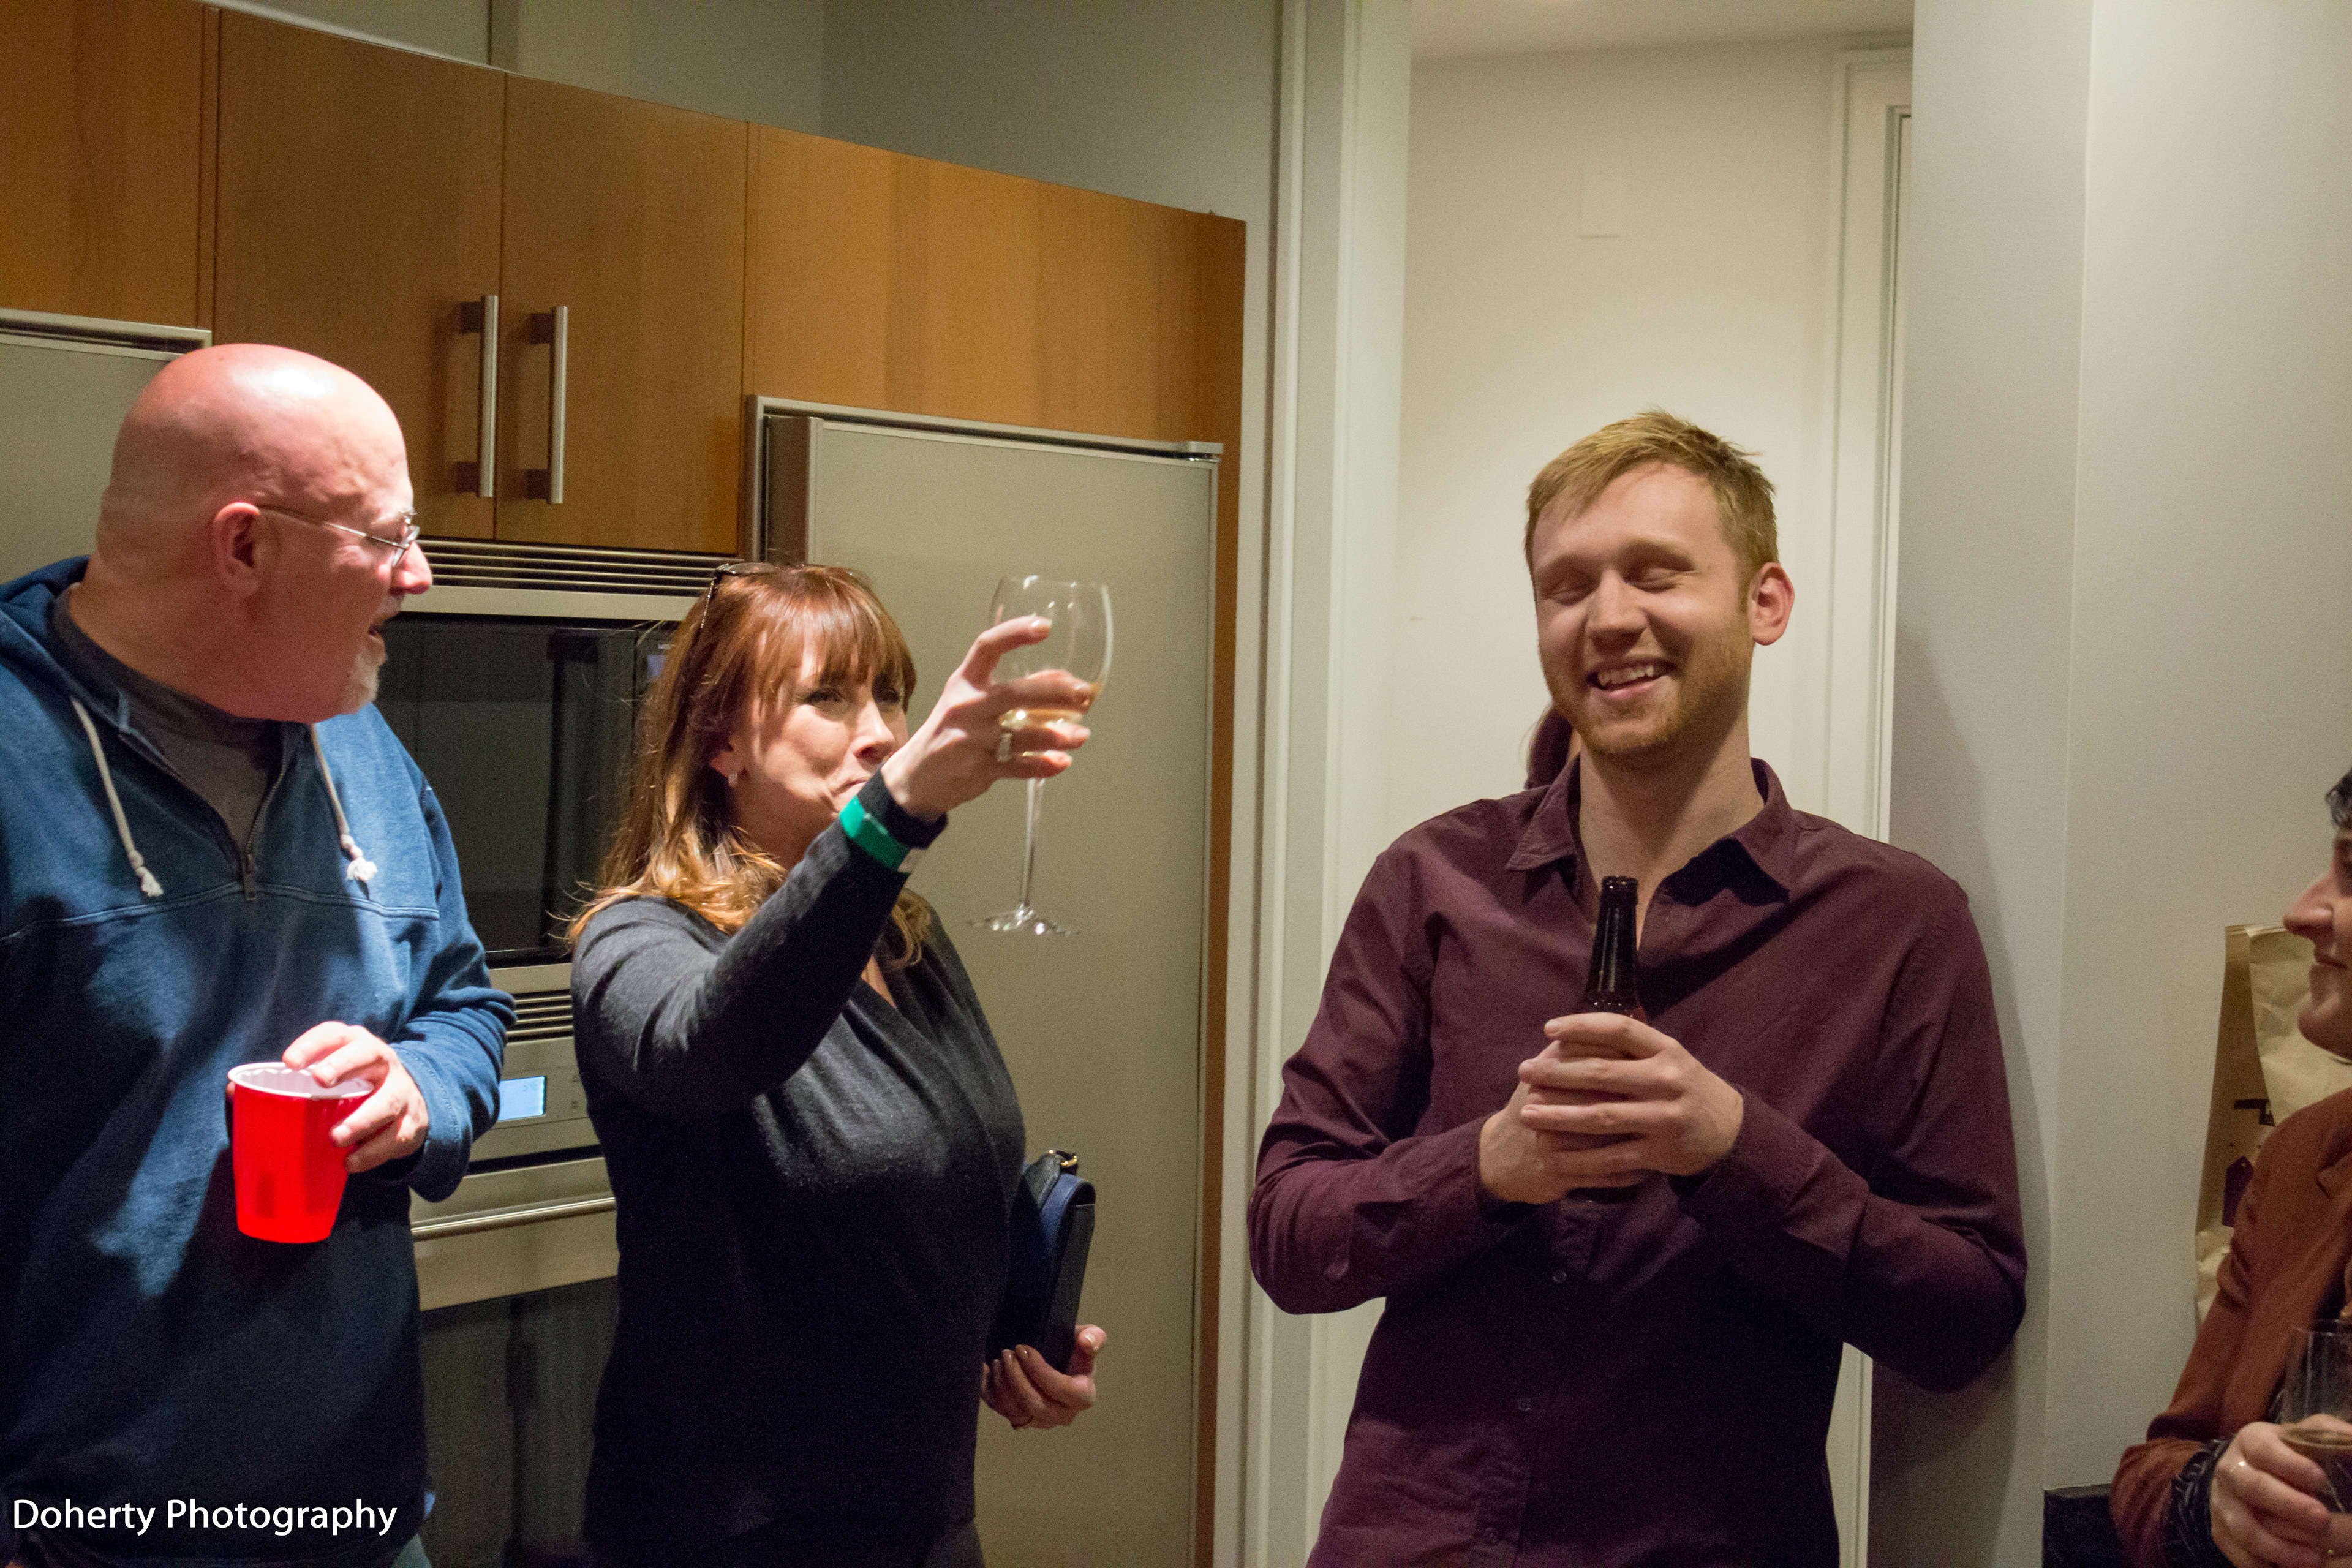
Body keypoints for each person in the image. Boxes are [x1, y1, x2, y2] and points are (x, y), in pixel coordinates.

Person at [1248, 410, 2027, 1564]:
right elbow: (1287, 1231)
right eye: (1566, 587)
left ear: (1767, 602)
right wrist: (1488, 1167)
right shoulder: (1432, 880)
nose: (1609, 618)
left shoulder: (1897, 924)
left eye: (1656, 574)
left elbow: (1966, 1313)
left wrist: (1735, 1152)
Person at [0, 345, 510, 1566]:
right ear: (243, 548)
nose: (420, 575)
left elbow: (464, 1004)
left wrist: (420, 1088)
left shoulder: (364, 743)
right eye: (386, 536)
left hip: (360, 1518)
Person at [568, 564, 1106, 1568]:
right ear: (721, 741)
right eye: (829, 697)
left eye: (890, 696)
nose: (881, 733)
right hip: (734, 1536)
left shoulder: (905, 939)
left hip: (926, 1522)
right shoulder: (636, 942)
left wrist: (1011, 1335)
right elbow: (711, 1050)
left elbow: (913, 1195)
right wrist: (894, 813)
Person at [2112, 769, 2352, 1568]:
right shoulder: (2299, 1157)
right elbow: (2151, 1471)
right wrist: (2212, 1497)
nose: (2303, 910)